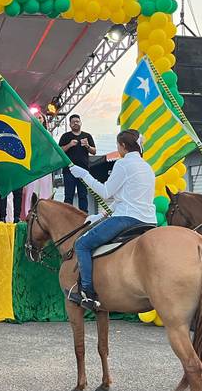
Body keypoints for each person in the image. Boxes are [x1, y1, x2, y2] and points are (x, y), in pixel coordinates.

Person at [66, 129, 157, 311]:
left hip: (127, 219)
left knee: (82, 244)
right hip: (149, 221)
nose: (118, 148)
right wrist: (100, 216)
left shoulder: (122, 165)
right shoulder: (147, 166)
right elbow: (122, 198)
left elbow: (106, 193)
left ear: (123, 146)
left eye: (118, 145)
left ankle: (88, 293)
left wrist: (84, 175)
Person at [59, 114, 96, 212]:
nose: (76, 123)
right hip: (69, 171)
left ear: (81, 122)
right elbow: (59, 151)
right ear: (70, 124)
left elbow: (94, 151)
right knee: (68, 196)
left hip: (83, 171)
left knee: (83, 195)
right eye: (73, 122)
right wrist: (69, 145)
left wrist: (87, 146)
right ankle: (66, 217)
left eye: (77, 121)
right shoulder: (65, 136)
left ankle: (84, 217)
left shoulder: (87, 136)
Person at [22, 112, 54, 219]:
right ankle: (28, 214)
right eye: (35, 118)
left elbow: (51, 151)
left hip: (45, 167)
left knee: (45, 189)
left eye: (40, 117)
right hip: (32, 166)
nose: (38, 119)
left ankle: (45, 215)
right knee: (31, 190)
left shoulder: (48, 134)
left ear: (44, 120)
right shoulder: (28, 133)